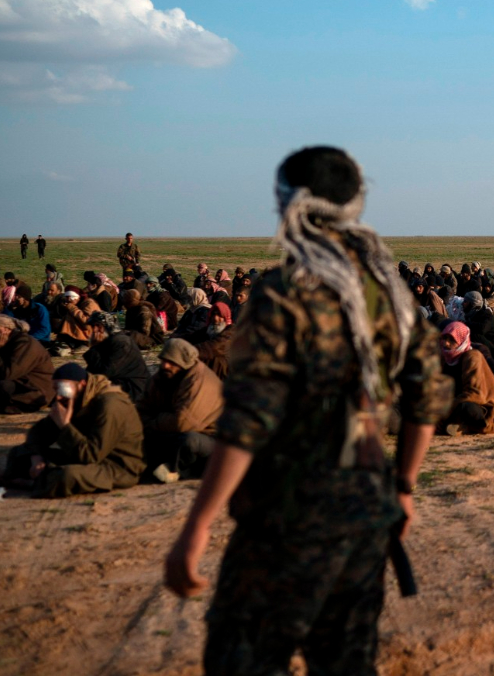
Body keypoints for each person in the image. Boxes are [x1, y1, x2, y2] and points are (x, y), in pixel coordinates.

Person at [164, 146, 448, 675]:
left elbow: (250, 420)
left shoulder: (283, 293)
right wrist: (404, 486)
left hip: (287, 516)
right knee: (346, 663)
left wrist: (198, 524)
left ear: (291, 206)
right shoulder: (388, 290)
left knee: (241, 659)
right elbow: (426, 397)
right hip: (367, 513)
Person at [0, 363, 145, 498]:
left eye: (63, 389)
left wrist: (65, 426)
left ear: (82, 384)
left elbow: (91, 456)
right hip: (82, 456)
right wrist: (36, 457)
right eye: (56, 389)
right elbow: (38, 433)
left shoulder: (110, 405)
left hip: (116, 467)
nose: (58, 396)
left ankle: (33, 484)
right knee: (19, 454)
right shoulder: (72, 399)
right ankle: (39, 480)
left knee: (67, 475)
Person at [138, 339, 224, 482]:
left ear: (184, 363)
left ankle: (177, 472)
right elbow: (141, 408)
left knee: (189, 441)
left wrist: (152, 422)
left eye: (172, 362)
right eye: (164, 360)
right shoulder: (162, 378)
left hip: (211, 439)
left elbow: (183, 422)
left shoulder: (199, 381)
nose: (165, 365)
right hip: (169, 431)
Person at [0, 314, 53, 414]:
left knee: (3, 385)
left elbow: (8, 374)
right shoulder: (5, 342)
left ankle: (7, 405)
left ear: (7, 329)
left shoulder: (25, 343)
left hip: (35, 389)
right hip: (18, 383)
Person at [438, 322, 494, 435]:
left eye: (452, 340)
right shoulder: (443, 357)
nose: (446, 343)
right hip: (453, 402)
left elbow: (474, 394)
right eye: (444, 338)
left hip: (479, 404)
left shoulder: (472, 356)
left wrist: (448, 408)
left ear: (461, 341)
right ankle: (457, 425)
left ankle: (468, 427)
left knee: (467, 408)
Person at [83, 312, 150, 401]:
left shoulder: (121, 343)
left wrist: (95, 347)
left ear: (100, 327)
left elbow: (103, 373)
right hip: (124, 384)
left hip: (134, 389)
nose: (92, 331)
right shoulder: (112, 341)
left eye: (93, 327)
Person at [192, 301, 234, 378]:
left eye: (219, 315)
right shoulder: (209, 329)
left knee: (215, 358)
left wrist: (189, 351)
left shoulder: (231, 331)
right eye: (213, 314)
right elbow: (192, 336)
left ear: (225, 317)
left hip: (224, 371)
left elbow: (215, 346)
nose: (215, 318)